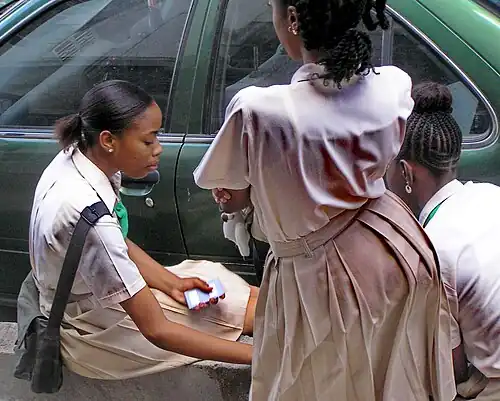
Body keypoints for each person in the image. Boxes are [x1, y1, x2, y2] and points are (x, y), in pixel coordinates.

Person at [193, 0, 456, 400]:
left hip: (317, 275)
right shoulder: (392, 86)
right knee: (391, 375)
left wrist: (237, 199)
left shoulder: (258, 110)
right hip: (396, 252)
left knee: (319, 382)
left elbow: (232, 195)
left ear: (293, 18)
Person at [28, 79, 257, 380]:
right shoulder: (90, 217)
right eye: (148, 141)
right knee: (237, 311)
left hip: (90, 300)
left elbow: (116, 242)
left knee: (222, 283)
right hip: (90, 330)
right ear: (108, 140)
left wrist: (172, 283)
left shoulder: (77, 156)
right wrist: (260, 357)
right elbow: (157, 330)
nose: (158, 149)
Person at [386, 81, 500, 400]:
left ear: (406, 173)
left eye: (387, 166)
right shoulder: (491, 195)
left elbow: (452, 368)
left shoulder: (430, 250)